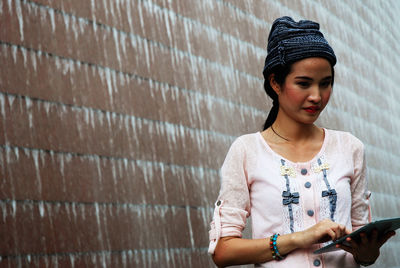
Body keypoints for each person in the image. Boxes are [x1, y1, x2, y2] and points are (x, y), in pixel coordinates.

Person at [208, 16, 395, 268]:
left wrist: (367, 252)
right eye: (304, 83)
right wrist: (298, 238)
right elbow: (223, 251)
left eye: (325, 84)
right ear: (275, 82)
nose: (316, 96)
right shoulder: (247, 151)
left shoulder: (350, 148)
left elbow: (364, 253)